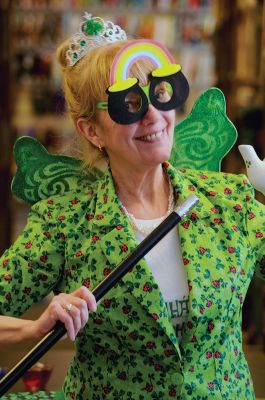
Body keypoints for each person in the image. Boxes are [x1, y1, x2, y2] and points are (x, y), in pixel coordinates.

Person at [0, 13, 264, 400]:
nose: (153, 116)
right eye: (128, 104)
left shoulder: (230, 202)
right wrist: (34, 328)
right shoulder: (65, 222)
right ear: (91, 130)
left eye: (160, 94)